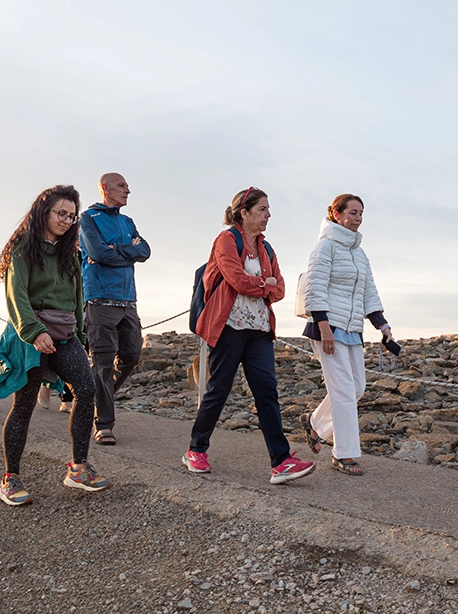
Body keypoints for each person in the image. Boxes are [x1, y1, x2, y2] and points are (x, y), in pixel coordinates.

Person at [182, 187, 315, 485]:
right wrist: (263, 283)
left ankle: (281, 462)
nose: (268, 215)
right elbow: (237, 280)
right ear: (244, 212)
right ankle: (196, 449)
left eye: (268, 210)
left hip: (259, 330)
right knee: (218, 390)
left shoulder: (267, 249)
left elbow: (280, 289)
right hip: (228, 327)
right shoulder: (226, 239)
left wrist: (264, 284)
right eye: (262, 210)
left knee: (267, 391)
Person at [0, 185, 110, 506]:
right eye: (61, 213)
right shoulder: (23, 249)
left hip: (66, 334)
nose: (66, 220)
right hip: (30, 335)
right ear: (43, 212)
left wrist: (82, 338)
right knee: (24, 404)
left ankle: (78, 467)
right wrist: (33, 331)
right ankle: (10, 478)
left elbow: (77, 298)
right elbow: (15, 295)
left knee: (86, 391)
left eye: (72, 216)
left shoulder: (70, 253)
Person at [300, 194, 393, 477]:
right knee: (342, 391)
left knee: (356, 389)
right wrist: (324, 326)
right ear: (337, 215)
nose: (358, 218)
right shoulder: (325, 246)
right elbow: (315, 286)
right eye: (352, 212)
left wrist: (382, 325)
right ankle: (344, 454)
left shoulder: (359, 254)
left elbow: (368, 292)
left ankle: (315, 423)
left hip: (353, 329)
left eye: (361, 213)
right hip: (327, 327)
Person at [79, 172, 151, 445]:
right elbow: (98, 254)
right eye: (122, 185)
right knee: (103, 364)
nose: (128, 190)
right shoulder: (88, 219)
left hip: (127, 301)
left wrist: (117, 250)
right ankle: (104, 424)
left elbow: (145, 251)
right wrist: (127, 252)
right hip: (99, 300)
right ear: (105, 188)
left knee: (132, 354)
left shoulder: (128, 221)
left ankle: (99, 397)